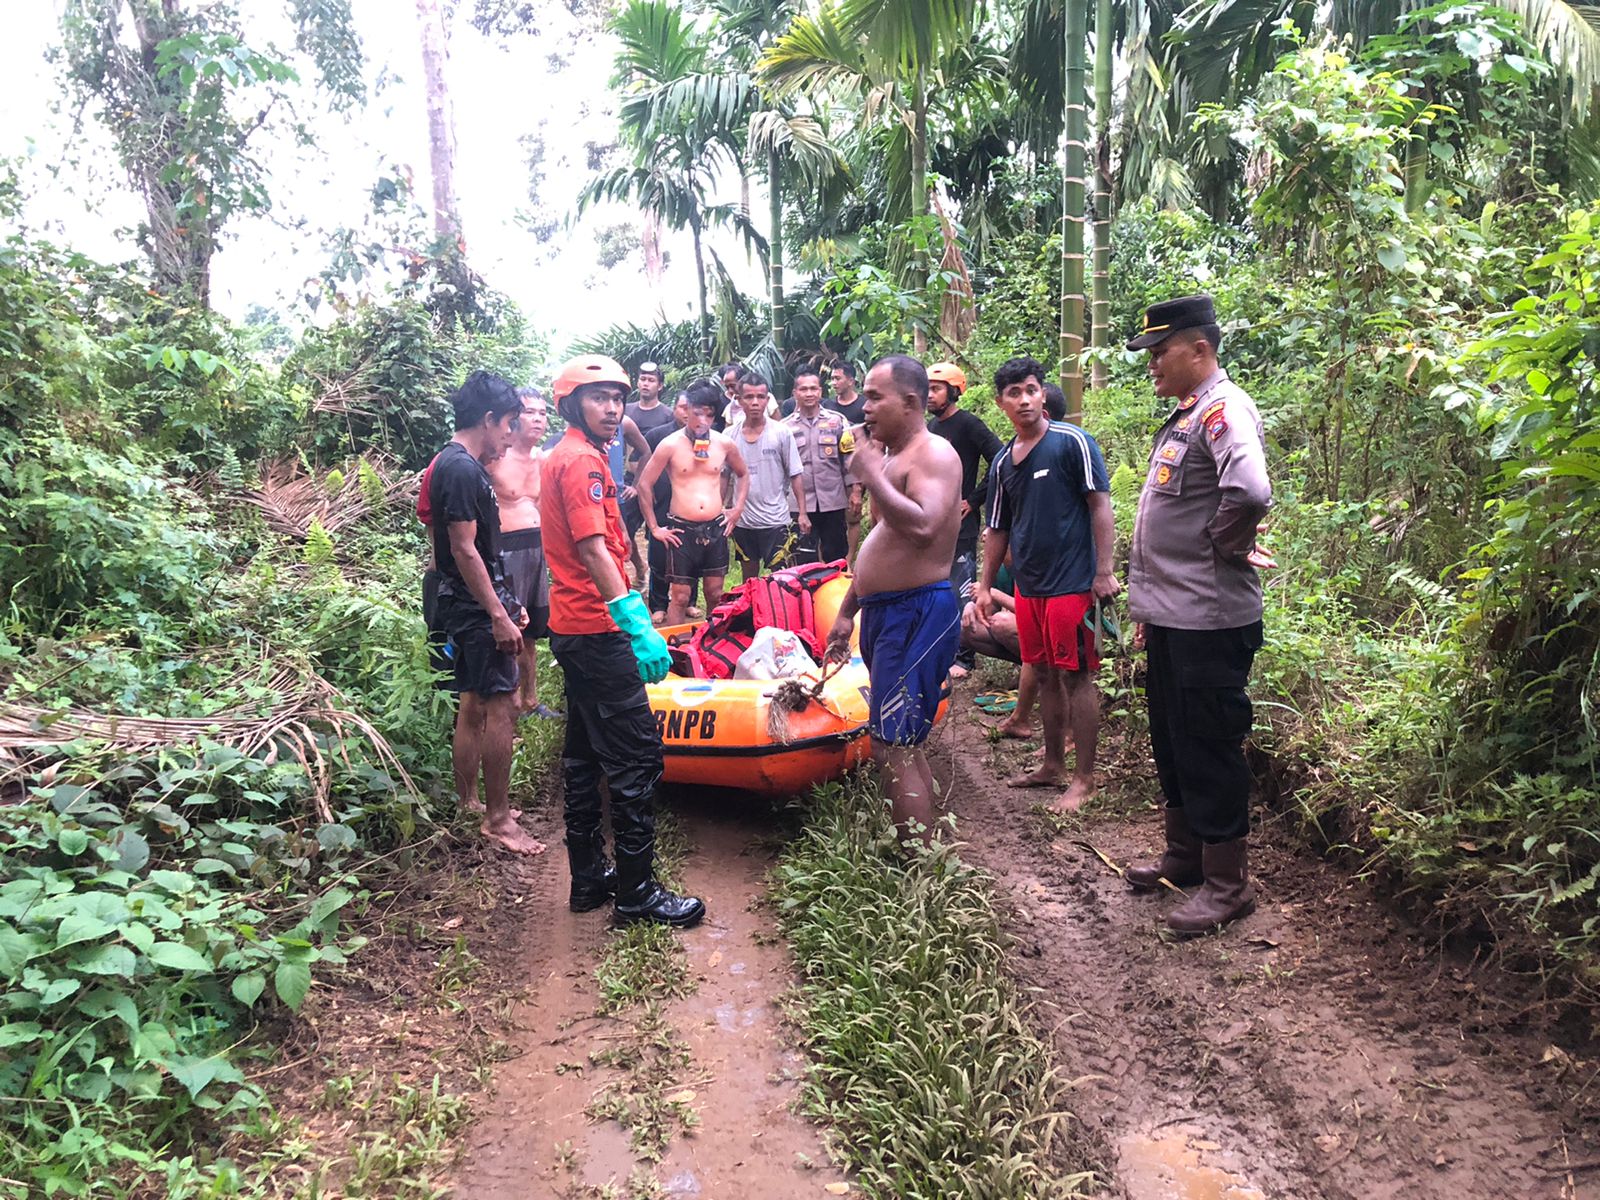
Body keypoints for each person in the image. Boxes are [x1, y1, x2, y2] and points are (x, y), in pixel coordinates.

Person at [1122, 294, 1272, 936]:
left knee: (1208, 746)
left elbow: (1251, 490)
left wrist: (1229, 543)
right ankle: (1184, 857)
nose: (1152, 363)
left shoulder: (1223, 410)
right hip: (1174, 616)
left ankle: (1227, 883)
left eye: (1160, 352)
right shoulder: (1187, 415)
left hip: (1210, 619)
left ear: (1199, 349)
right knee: (1173, 740)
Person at [541, 355, 706, 927]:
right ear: (571, 405)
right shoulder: (581, 461)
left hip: (573, 626)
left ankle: (589, 878)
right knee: (636, 758)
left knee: (585, 754)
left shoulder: (566, 455)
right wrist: (636, 622)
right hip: (598, 628)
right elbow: (591, 548)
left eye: (617, 397)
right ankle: (637, 894)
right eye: (598, 398)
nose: (613, 408)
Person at [825, 356, 963, 847]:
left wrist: (871, 475)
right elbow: (884, 541)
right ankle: (924, 851)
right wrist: (846, 614)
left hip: (918, 611)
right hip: (888, 612)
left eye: (874, 396)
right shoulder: (893, 456)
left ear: (909, 402)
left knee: (892, 746)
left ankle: (920, 865)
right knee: (900, 742)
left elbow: (924, 526)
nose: (865, 408)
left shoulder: (936, 454)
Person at [975, 356, 1118, 814]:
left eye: (1031, 389)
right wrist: (983, 585)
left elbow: (1099, 506)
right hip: (1029, 587)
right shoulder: (1001, 462)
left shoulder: (1071, 442)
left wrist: (1104, 571)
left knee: (1077, 675)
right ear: (1001, 403)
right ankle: (1052, 765)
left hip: (1072, 583)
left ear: (1042, 394)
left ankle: (1085, 779)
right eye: (1014, 393)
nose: (1025, 400)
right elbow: (997, 527)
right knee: (1043, 671)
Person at [428, 371, 545, 856]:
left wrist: (506, 603)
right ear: (489, 418)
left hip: (474, 603)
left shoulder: (457, 464)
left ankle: (471, 802)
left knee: (474, 702)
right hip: (474, 608)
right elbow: (464, 550)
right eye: (508, 424)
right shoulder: (460, 470)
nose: (510, 434)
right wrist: (497, 612)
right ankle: (498, 820)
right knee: (499, 707)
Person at [637, 381, 750, 626]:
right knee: (679, 596)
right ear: (687, 411)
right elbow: (644, 484)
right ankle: (678, 650)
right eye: (697, 413)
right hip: (681, 529)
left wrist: (737, 509)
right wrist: (655, 527)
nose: (703, 420)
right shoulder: (670, 444)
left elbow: (743, 473)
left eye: (709, 415)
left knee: (715, 593)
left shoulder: (724, 444)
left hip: (715, 526)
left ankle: (713, 646)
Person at [487, 386, 561, 720]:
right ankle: (508, 701)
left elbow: (547, 509)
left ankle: (530, 700)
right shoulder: (494, 459)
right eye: (530, 412)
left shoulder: (543, 460)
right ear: (514, 417)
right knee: (509, 628)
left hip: (536, 548)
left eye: (543, 413)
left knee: (531, 631)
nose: (538, 419)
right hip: (506, 549)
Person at [927, 362, 1004, 679]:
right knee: (935, 588)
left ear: (954, 391)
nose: (929, 395)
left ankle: (965, 656)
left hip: (961, 525)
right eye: (927, 389)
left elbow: (1000, 457)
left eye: (936, 388)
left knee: (961, 589)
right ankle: (940, 648)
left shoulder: (969, 424)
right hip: (933, 523)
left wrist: (974, 500)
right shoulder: (931, 428)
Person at [728, 370, 807, 577]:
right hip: (743, 521)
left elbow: (796, 473)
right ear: (739, 400)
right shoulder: (729, 436)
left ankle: (778, 610)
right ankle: (752, 610)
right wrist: (721, 509)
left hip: (776, 520)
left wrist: (803, 513)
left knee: (780, 578)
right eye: (749, 397)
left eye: (760, 397)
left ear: (767, 400)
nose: (755, 402)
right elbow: (723, 476)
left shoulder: (781, 432)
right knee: (749, 579)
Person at [786, 364, 860, 565]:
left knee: (835, 556)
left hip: (833, 501)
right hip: (799, 505)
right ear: (795, 393)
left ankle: (835, 595)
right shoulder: (785, 428)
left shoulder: (838, 422)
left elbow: (849, 459)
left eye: (813, 389)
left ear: (820, 391)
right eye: (803, 389)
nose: (809, 393)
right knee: (802, 559)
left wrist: (855, 491)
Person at [643, 389, 692, 621]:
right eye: (683, 407)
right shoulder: (657, 436)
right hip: (662, 502)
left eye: (691, 408)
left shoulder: (703, 437)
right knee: (659, 554)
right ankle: (659, 603)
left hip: (688, 504)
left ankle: (690, 601)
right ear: (674, 409)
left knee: (690, 552)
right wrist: (647, 489)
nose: (687, 412)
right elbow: (637, 462)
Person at [827, 362, 868, 560]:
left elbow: (872, 440)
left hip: (856, 470)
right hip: (831, 470)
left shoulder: (863, 406)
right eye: (832, 378)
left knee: (852, 516)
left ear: (851, 381)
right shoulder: (827, 407)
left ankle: (849, 560)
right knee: (829, 518)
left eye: (838, 378)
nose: (833, 382)